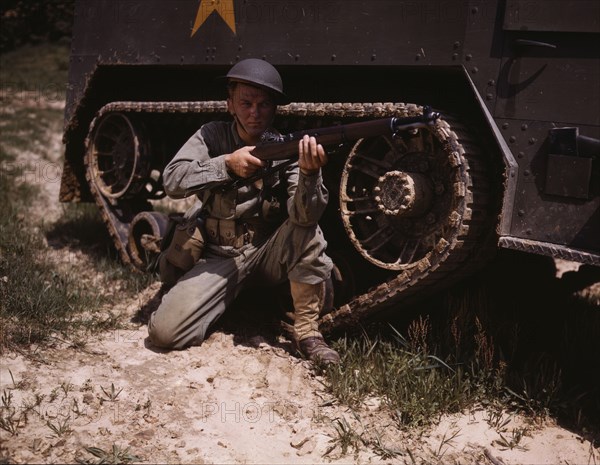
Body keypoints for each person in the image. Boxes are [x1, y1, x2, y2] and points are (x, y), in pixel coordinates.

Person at [147, 58, 340, 364]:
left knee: (306, 230)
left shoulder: (284, 148)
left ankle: (308, 333)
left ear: (274, 108)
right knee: (163, 333)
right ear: (230, 105)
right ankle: (222, 299)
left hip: (265, 253)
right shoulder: (211, 136)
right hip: (216, 255)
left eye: (264, 104)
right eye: (246, 102)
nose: (255, 112)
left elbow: (305, 216)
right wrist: (225, 165)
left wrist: (310, 176)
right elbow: (172, 180)